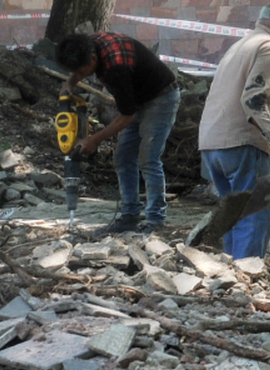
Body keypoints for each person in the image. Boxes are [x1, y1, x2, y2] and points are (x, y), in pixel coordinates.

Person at [197, 2, 270, 259]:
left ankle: (230, 275)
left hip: (213, 145)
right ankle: (247, 276)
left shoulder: (240, 46)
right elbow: (252, 100)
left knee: (232, 214)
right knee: (253, 215)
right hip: (243, 145)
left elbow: (249, 100)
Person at [56, 29, 181, 233]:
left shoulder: (116, 67)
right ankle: (129, 216)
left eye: (81, 72)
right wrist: (70, 83)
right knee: (123, 157)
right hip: (136, 99)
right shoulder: (89, 43)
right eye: (75, 72)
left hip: (161, 97)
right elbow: (128, 109)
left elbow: (127, 115)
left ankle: (155, 220)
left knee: (148, 158)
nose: (79, 76)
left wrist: (94, 139)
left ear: (93, 58)